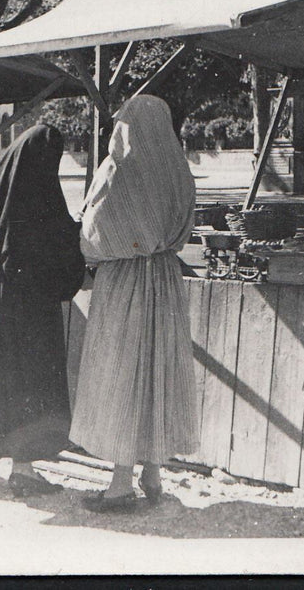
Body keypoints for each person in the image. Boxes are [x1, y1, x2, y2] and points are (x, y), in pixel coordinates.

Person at [68, 95, 199, 513]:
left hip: (126, 281)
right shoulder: (178, 169)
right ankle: (153, 471)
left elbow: (97, 231)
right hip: (164, 279)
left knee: (125, 373)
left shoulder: (121, 171)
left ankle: (121, 483)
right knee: (156, 370)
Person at [0, 123, 86, 497]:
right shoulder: (37, 189)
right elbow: (55, 242)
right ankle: (23, 470)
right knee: (28, 380)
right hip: (26, 298)